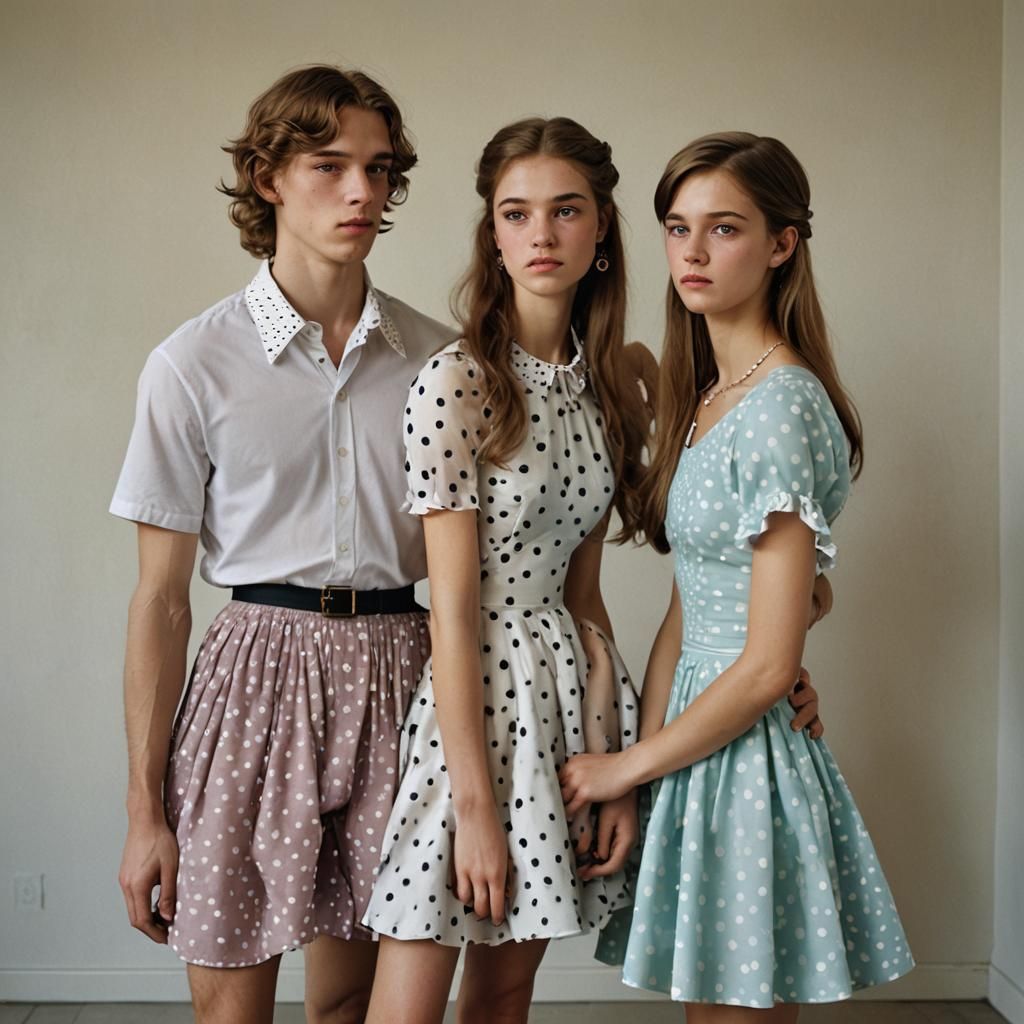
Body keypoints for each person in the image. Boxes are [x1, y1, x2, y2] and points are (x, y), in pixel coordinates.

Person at [360, 120, 826, 1024]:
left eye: (566, 211)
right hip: (469, 704)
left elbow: (598, 591)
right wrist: (477, 808)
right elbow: (450, 615)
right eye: (517, 213)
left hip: (570, 698)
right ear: (492, 235)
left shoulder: (614, 383)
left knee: (503, 993)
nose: (542, 235)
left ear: (602, 229)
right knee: (411, 998)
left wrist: (621, 766)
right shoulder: (456, 384)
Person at [110, 65, 456, 1024]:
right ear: (267, 177)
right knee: (231, 1009)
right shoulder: (193, 363)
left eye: (380, 171)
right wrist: (144, 813)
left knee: (353, 1004)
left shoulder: (438, 360)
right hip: (253, 678)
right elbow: (161, 600)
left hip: (404, 674)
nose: (362, 193)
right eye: (329, 164)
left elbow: (520, 549)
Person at [559, 132, 913, 1019]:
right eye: (679, 229)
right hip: (698, 736)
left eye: (725, 229)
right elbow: (692, 606)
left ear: (782, 243)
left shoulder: (783, 405)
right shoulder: (712, 395)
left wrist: (623, 767)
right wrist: (643, 766)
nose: (694, 253)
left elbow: (761, 666)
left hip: (744, 751)